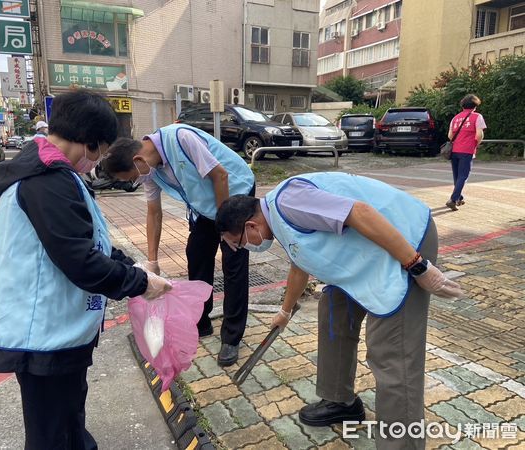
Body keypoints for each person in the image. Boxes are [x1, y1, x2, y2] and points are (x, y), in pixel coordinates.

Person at [0, 90, 172, 449]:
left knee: (67, 417)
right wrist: (140, 282)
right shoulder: (46, 182)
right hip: (42, 334)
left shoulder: (56, 174)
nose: (95, 161)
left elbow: (88, 240)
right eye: (99, 150)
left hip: (54, 328)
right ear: (89, 143)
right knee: (51, 432)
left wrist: (130, 265)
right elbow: (80, 262)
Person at [216, 172, 463, 449]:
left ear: (250, 226)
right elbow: (301, 261)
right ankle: (340, 401)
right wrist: (284, 312)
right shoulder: (275, 218)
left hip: (406, 239)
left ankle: (403, 444)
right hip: (367, 253)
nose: (246, 247)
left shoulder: (289, 201)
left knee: (392, 354)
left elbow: (360, 212)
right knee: (333, 311)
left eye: (238, 243)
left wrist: (417, 265)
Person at [102, 124, 255, 366]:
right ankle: (201, 322)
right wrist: (152, 261)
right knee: (196, 255)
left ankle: (232, 338)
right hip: (205, 206)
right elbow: (154, 213)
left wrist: (225, 228)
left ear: (138, 160)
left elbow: (220, 176)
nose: (136, 181)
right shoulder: (150, 171)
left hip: (234, 193)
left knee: (233, 262)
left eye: (132, 178)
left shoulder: (182, 138)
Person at [446, 94, 486, 211]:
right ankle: (453, 199)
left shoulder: (455, 118)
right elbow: (479, 134)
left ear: (463, 105)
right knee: (463, 176)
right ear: (475, 106)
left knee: (457, 176)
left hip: (454, 151)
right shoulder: (477, 117)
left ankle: (459, 197)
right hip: (467, 150)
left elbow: (450, 135)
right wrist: (475, 143)